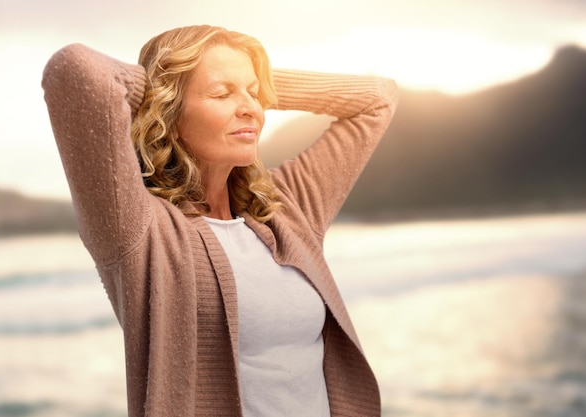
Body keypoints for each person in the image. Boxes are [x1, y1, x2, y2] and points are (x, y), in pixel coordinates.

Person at [42, 25, 398, 417]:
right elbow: (73, 71)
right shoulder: (139, 228)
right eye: (221, 94)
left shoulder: (287, 208)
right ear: (170, 114)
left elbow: (378, 99)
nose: (251, 108)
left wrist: (249, 79)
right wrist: (164, 84)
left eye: (255, 93)